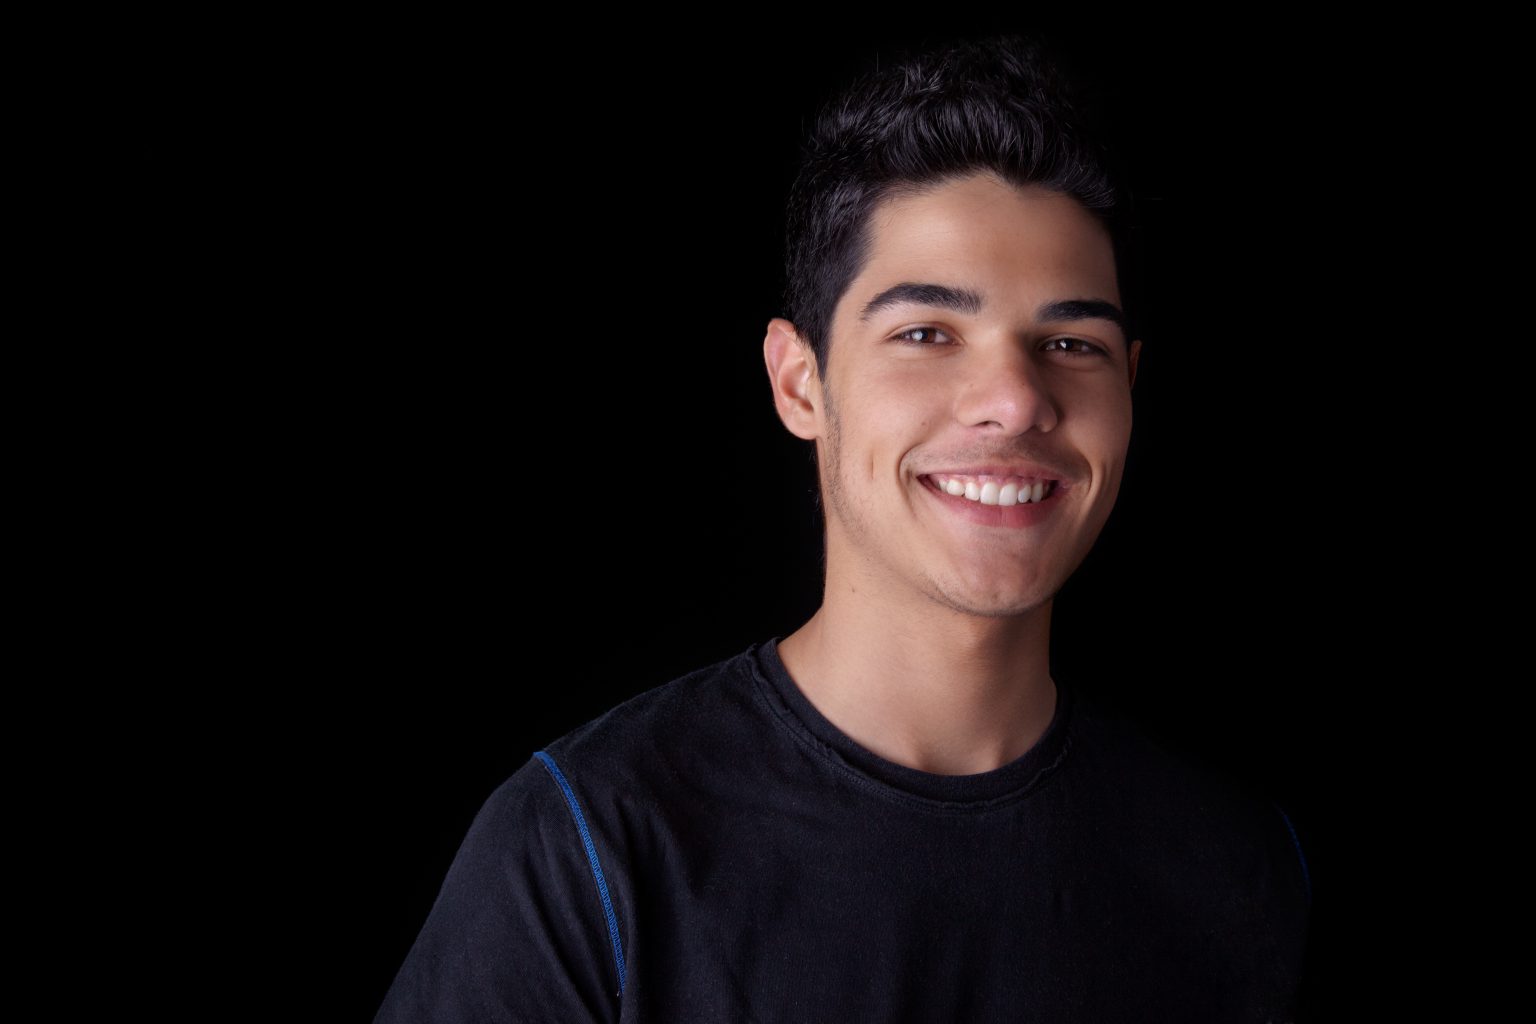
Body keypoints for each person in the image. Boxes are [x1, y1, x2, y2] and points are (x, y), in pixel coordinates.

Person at [375, 33, 1311, 1023]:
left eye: (1071, 343)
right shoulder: (591, 852)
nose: (1014, 399)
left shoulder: (1238, 871)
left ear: (1129, 385)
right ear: (799, 383)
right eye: (926, 333)